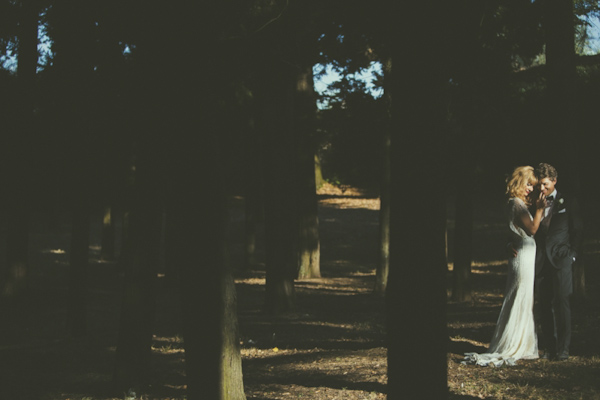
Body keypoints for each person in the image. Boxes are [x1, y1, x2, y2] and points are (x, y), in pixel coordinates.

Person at [463, 166, 545, 367]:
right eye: (527, 184)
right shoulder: (516, 204)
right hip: (523, 258)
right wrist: (540, 209)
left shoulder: (513, 204)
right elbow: (533, 229)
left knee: (522, 297)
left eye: (532, 186)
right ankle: (513, 343)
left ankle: (522, 342)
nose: (530, 189)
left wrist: (509, 243)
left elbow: (514, 233)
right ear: (519, 182)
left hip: (522, 256)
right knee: (520, 297)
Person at [533, 163, 583, 361]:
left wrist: (572, 255)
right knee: (544, 304)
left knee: (562, 303)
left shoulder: (568, 202)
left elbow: (577, 231)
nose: (541, 188)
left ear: (554, 181)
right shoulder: (534, 201)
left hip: (562, 259)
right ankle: (549, 348)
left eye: (545, 184)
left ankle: (563, 350)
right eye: (539, 185)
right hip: (541, 260)